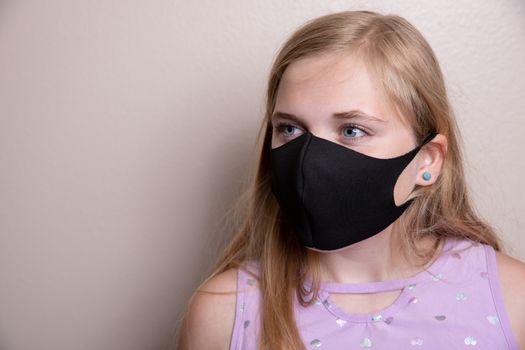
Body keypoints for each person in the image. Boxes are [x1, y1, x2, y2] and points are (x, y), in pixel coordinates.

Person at [177, 10, 525, 350]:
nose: (308, 160)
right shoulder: (224, 313)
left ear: (427, 161)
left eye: (352, 130)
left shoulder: (512, 300)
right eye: (290, 128)